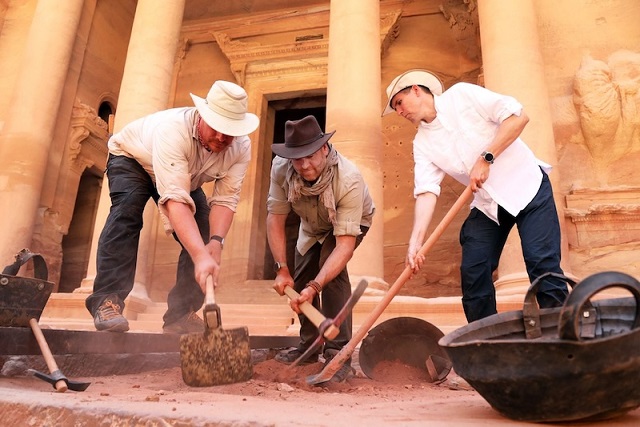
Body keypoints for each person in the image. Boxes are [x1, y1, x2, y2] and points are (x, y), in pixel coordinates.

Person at [383, 69, 568, 323]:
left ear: (416, 90)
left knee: (541, 263)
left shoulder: (462, 95)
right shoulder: (422, 143)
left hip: (528, 187)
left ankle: (563, 339)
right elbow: (426, 191)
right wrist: (416, 241)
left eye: (399, 103)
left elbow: (518, 117)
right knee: (473, 270)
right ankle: (485, 347)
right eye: (396, 108)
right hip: (489, 204)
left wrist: (486, 157)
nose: (399, 112)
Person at [85, 80, 259, 333]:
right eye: (217, 128)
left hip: (183, 175)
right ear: (202, 115)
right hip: (134, 158)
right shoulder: (173, 129)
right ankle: (106, 301)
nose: (222, 137)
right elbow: (175, 199)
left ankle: (180, 315)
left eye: (230, 130)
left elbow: (225, 199)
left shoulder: (241, 147)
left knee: (201, 232)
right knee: (127, 214)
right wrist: (200, 257)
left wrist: (215, 243)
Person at [266, 115, 375, 382]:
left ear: (324, 148)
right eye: (297, 158)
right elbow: (275, 218)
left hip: (348, 224)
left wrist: (316, 287)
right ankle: (310, 346)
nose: (304, 165)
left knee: (331, 275)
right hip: (311, 225)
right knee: (301, 276)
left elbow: (344, 246)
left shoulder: (348, 178)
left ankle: (339, 353)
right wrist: (281, 269)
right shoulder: (281, 169)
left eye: (310, 156)